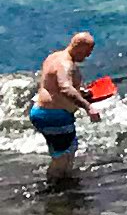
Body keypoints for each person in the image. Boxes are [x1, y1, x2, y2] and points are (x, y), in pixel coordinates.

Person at [28, 33, 105, 163]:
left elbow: (53, 85)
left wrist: (80, 92)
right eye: (87, 51)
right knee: (64, 157)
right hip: (55, 116)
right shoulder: (66, 64)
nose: (88, 55)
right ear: (79, 47)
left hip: (41, 112)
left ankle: (59, 180)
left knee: (60, 154)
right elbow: (65, 88)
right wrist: (88, 107)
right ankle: (57, 181)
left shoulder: (54, 57)